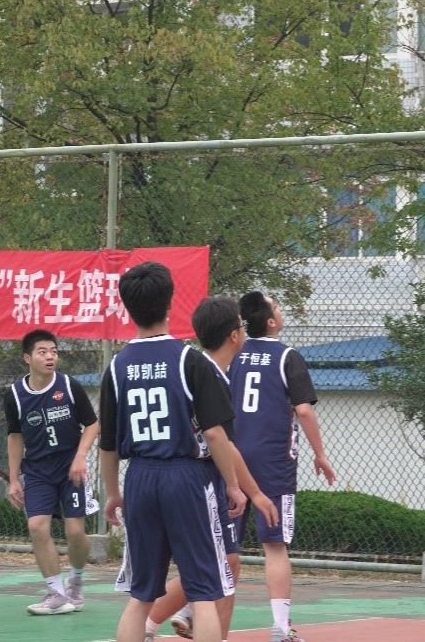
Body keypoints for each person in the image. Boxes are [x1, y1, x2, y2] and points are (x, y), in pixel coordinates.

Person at [100, 262, 271, 642]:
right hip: (187, 478)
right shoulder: (188, 360)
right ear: (170, 303)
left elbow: (108, 445)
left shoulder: (117, 367)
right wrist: (233, 485)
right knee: (205, 592)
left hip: (140, 476)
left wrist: (113, 493)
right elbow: (214, 433)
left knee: (141, 597)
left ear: (127, 307)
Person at [143, 296, 278, 642]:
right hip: (198, 482)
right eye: (242, 326)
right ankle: (162, 623)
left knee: (222, 564)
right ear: (234, 335)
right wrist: (252, 492)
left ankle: (157, 622)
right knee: (219, 567)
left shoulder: (203, 368)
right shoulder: (207, 374)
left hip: (176, 479)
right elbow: (223, 443)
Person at [216, 291, 334, 642]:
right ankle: (281, 628)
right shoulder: (287, 356)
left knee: (225, 546)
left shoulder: (233, 355)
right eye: (278, 307)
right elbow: (304, 410)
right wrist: (320, 453)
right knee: (275, 545)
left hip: (232, 457)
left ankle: (195, 609)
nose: (282, 310)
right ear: (271, 321)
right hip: (273, 461)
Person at [5, 329, 99, 616]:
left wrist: (80, 457)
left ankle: (76, 581)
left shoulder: (69, 386)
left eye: (54, 352)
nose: (50, 357)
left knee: (75, 532)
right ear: (27, 358)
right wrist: (13, 479)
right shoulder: (15, 395)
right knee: (37, 527)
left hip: (71, 468)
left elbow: (92, 424)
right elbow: (14, 436)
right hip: (38, 471)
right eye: (43, 352)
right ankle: (56, 593)